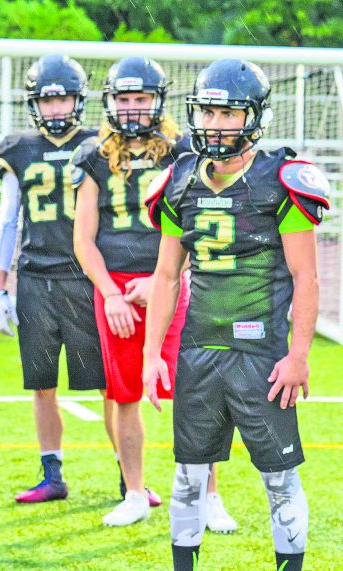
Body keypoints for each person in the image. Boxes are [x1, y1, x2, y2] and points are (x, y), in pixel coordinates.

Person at [144, 58, 328, 571]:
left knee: (279, 477)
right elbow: (164, 275)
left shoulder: (279, 178)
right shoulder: (180, 178)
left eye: (228, 113)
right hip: (199, 351)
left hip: (261, 355)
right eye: (207, 110)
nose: (215, 123)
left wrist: (298, 355)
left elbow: (305, 277)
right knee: (187, 475)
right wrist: (151, 354)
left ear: (253, 117)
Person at [73, 56, 235, 530]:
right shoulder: (95, 155)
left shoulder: (184, 152)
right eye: (123, 98)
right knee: (124, 395)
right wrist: (112, 294)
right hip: (117, 289)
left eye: (140, 98)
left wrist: (169, 277)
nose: (131, 107)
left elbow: (200, 221)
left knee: (196, 391)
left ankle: (210, 495)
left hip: (171, 279)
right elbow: (83, 239)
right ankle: (135, 491)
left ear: (157, 100)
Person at [0, 54, 112, 503]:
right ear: (34, 104)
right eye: (48, 100)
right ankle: (52, 474)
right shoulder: (18, 147)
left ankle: (128, 475)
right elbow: (7, 222)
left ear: (79, 101)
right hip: (37, 279)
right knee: (41, 383)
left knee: (108, 385)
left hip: (86, 279)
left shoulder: (102, 142)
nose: (56, 109)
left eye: (63, 99)